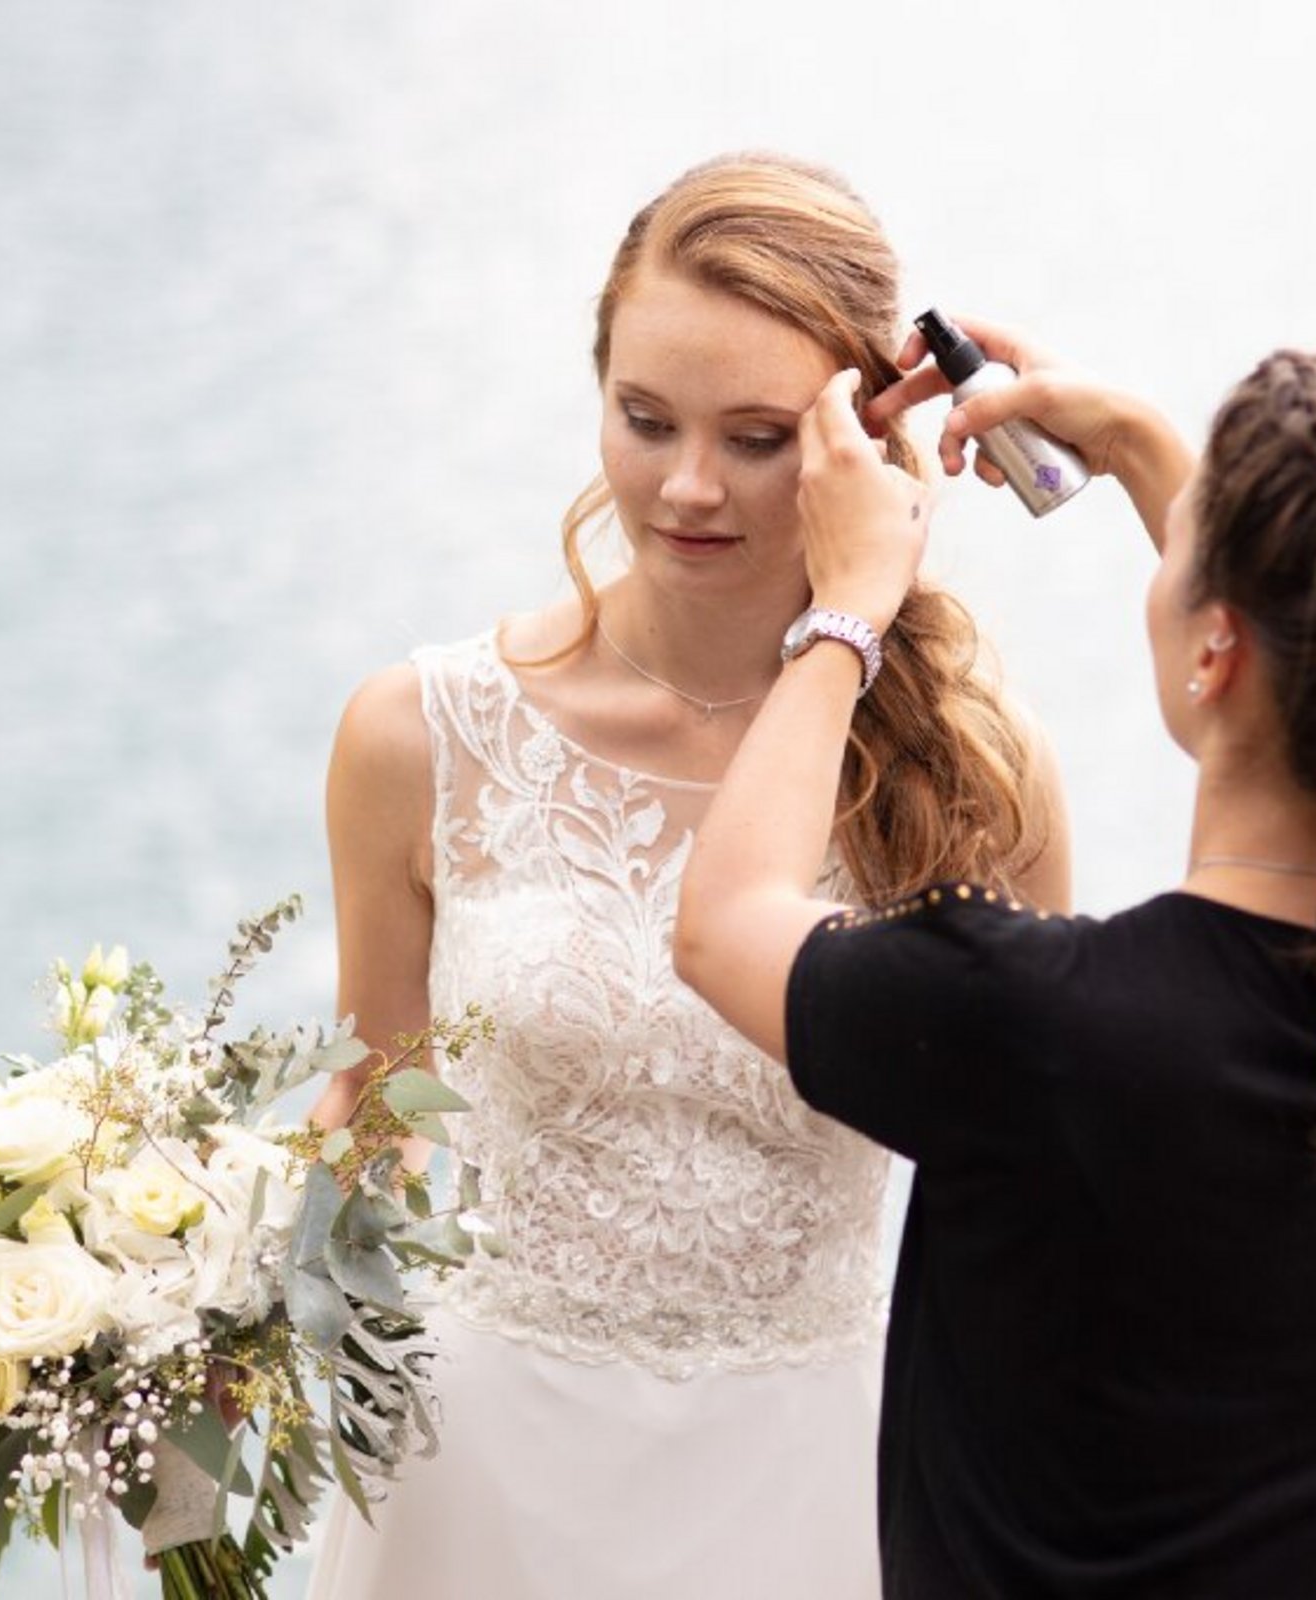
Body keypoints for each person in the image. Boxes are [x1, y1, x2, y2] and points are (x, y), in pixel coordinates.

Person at [304, 157, 1071, 1600]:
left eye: (758, 438)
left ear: (862, 436)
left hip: (814, 1489)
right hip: (474, 1486)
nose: (689, 487)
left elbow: (1043, 1178)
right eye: (644, 419)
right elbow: (375, 1101)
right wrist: (177, 1284)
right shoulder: (417, 736)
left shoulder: (975, 771)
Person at [674, 323, 1316, 1597]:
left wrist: (846, 606)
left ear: (1214, 649)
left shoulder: (1031, 1024)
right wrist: (1133, 442)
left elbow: (725, 918)